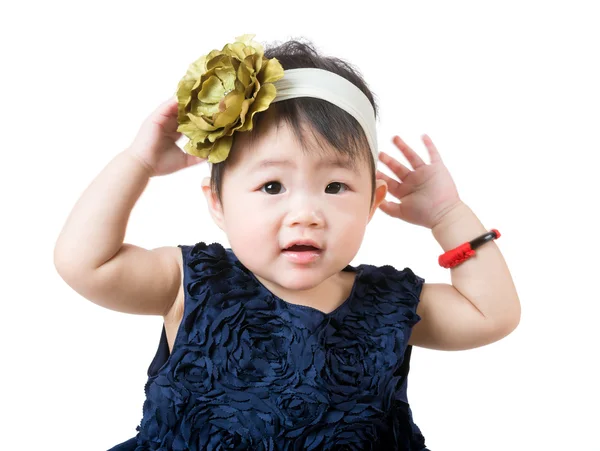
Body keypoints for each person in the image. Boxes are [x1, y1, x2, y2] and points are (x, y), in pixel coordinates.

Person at [54, 35, 521, 450]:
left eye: (335, 187)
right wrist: (138, 161)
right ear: (217, 202)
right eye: (272, 186)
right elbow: (85, 264)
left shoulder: (387, 306)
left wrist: (448, 216)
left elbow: (491, 315)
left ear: (373, 202)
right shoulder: (190, 282)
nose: (306, 215)